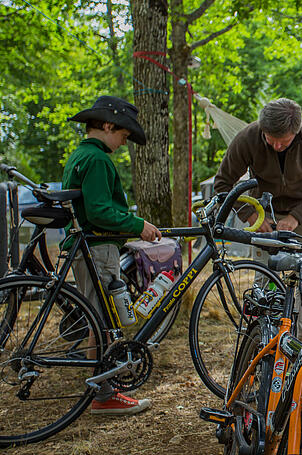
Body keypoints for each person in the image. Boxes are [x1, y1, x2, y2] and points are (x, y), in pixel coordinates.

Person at [63, 95, 162, 415]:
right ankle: (104, 394)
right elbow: (100, 211)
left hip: (88, 248)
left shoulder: (80, 155)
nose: (124, 141)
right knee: (103, 322)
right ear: (106, 125)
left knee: (99, 317)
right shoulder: (98, 160)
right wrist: (138, 225)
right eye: (122, 134)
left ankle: (104, 387)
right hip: (98, 249)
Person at [213, 98, 302, 339]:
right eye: (271, 139)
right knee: (264, 274)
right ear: (262, 130)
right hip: (262, 211)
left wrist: (296, 217)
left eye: (284, 141)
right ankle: (263, 335)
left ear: (297, 132)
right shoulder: (248, 137)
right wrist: (251, 216)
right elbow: (222, 184)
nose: (277, 146)